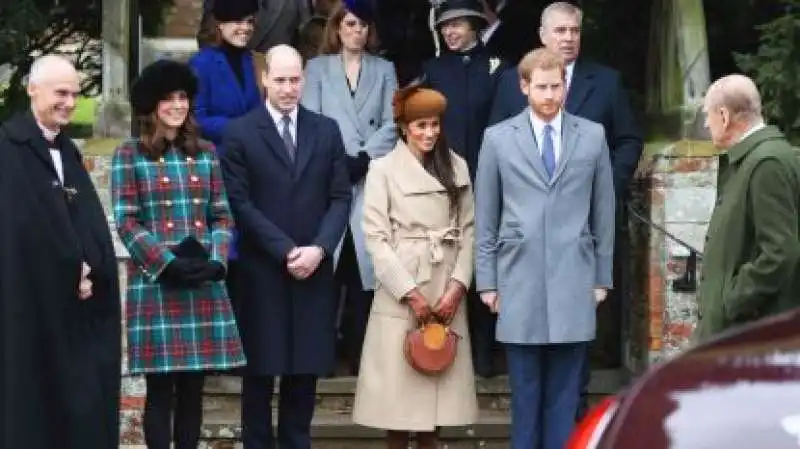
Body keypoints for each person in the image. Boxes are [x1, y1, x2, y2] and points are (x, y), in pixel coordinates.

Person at [488, 1, 642, 416]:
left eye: (574, 31)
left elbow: (628, 140)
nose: (568, 38)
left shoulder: (606, 83)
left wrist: (605, 185)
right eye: (560, 31)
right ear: (543, 35)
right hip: (525, 243)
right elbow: (497, 153)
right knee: (529, 366)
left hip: (581, 236)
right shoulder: (510, 83)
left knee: (574, 355)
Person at [474, 48, 615, 449]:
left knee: (565, 397)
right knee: (526, 397)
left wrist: (602, 276)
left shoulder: (592, 135)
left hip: (575, 275)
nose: (551, 95)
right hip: (517, 278)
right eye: (542, 87)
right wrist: (487, 280)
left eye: (557, 86)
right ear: (524, 87)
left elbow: (604, 210)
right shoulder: (497, 139)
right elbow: (486, 214)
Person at [220, 44, 351, 449]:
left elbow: (340, 197)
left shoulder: (325, 130)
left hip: (314, 269)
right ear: (265, 79)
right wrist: (285, 250)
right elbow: (239, 203)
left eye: (295, 80)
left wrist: (320, 249)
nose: (289, 88)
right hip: (263, 271)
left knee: (303, 376)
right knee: (259, 377)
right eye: (280, 80)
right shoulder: (240, 132)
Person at [111, 59, 246, 449]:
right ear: (151, 106)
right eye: (168, 98)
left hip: (200, 280)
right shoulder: (129, 154)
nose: (176, 105)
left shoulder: (205, 153)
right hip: (157, 282)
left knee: (193, 389)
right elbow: (126, 219)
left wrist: (216, 261)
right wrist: (165, 263)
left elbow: (222, 215)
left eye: (182, 97)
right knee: (159, 390)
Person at [0, 54, 121, 449]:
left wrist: (93, 265)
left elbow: (87, 220)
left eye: (76, 94)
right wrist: (71, 267)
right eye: (61, 93)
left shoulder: (66, 151)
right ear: (32, 90)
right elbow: (20, 228)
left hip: (75, 306)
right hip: (32, 305)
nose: (70, 102)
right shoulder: (10, 150)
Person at [353, 84, 477, 449]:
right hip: (401, 288)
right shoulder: (383, 169)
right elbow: (375, 237)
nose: (429, 133)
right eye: (420, 125)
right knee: (398, 400)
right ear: (404, 127)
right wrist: (410, 294)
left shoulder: (457, 166)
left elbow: (469, 231)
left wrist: (457, 287)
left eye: (434, 125)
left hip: (445, 282)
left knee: (436, 392)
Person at [301, 0, 398, 375]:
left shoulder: (385, 69)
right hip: (329, 178)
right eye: (350, 24)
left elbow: (393, 121)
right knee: (327, 271)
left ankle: (360, 357)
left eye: (362, 26)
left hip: (370, 177)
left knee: (364, 273)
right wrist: (339, 162)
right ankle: (321, 356)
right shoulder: (317, 68)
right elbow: (310, 118)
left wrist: (366, 157)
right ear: (337, 28)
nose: (356, 32)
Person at [422, 0, 506, 378]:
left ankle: (485, 355)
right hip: (443, 179)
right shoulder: (433, 70)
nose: (451, 33)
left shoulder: (500, 68)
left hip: (491, 180)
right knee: (446, 264)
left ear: (474, 25)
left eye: (457, 25)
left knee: (485, 264)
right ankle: (442, 351)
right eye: (445, 28)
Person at [695, 74, 800, 341]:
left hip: (750, 334)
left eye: (708, 115)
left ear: (724, 115)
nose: (707, 124)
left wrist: (732, 300)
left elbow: (780, 252)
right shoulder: (750, 160)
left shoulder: (767, 163)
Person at [190, 0, 262, 310]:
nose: (244, 27)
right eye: (237, 21)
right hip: (217, 167)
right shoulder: (202, 63)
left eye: (248, 21)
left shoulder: (251, 61)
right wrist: (241, 128)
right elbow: (197, 116)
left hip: (250, 167)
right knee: (226, 252)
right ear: (218, 23)